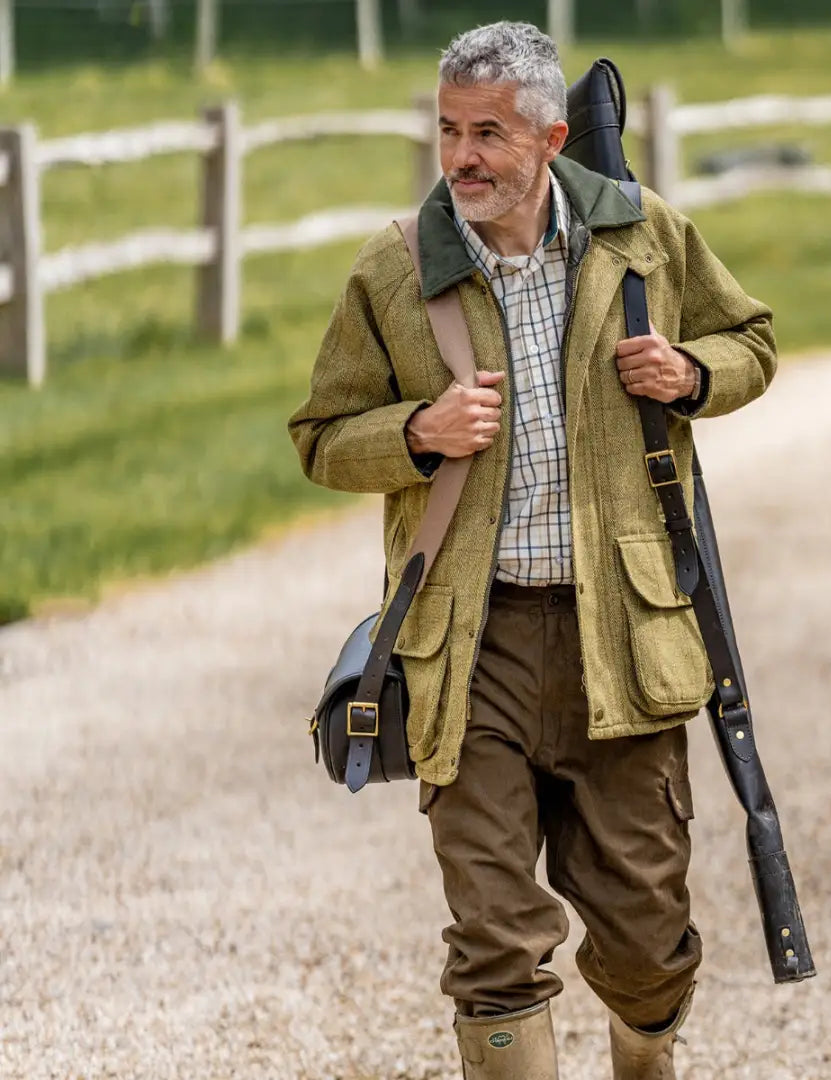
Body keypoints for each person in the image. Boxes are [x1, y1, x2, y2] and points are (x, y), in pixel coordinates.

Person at [288, 20, 776, 1080]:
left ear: (551, 139)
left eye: (489, 135)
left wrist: (689, 376)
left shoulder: (644, 237)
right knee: (495, 940)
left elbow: (754, 343)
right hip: (473, 647)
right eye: (448, 130)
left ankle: (646, 1050)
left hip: (626, 634)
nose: (461, 157)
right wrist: (416, 434)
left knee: (650, 943)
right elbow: (320, 438)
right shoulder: (395, 268)